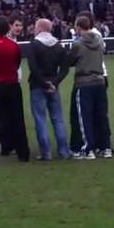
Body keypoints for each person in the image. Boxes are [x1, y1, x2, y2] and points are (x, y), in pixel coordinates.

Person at [0, 16, 30, 163]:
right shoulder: (14, 46)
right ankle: (23, 154)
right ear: (8, 28)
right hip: (13, 86)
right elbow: (17, 64)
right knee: (18, 119)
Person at [25, 18, 71, 161]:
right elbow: (65, 68)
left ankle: (46, 152)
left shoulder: (34, 45)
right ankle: (64, 151)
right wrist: (55, 82)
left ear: (38, 29)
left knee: (41, 119)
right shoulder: (58, 46)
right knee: (58, 119)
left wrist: (44, 83)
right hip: (54, 86)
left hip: (38, 85)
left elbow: (33, 68)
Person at [69, 15, 112, 160]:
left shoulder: (77, 44)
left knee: (84, 117)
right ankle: (106, 147)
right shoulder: (99, 40)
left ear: (79, 27)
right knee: (101, 115)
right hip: (100, 81)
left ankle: (88, 149)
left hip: (84, 82)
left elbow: (70, 60)